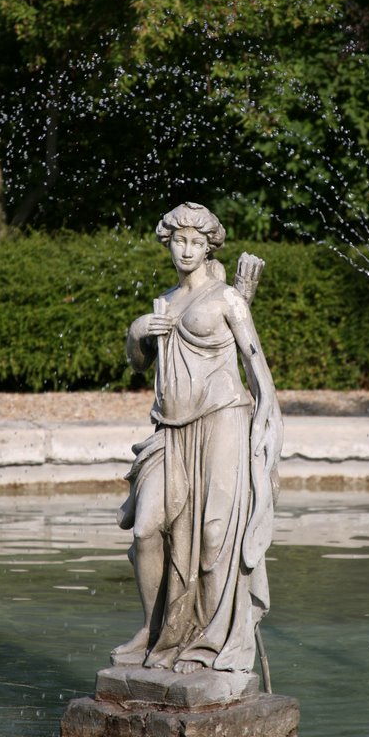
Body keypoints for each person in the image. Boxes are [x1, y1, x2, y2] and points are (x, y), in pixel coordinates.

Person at [112, 202, 282, 674]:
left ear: (209, 248)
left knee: (214, 538)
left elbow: (257, 368)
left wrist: (268, 421)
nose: (186, 250)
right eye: (179, 241)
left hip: (224, 421)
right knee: (146, 527)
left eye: (196, 243)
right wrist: (136, 334)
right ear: (168, 243)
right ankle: (155, 631)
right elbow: (140, 364)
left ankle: (209, 642)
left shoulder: (227, 298)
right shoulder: (163, 303)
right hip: (172, 430)